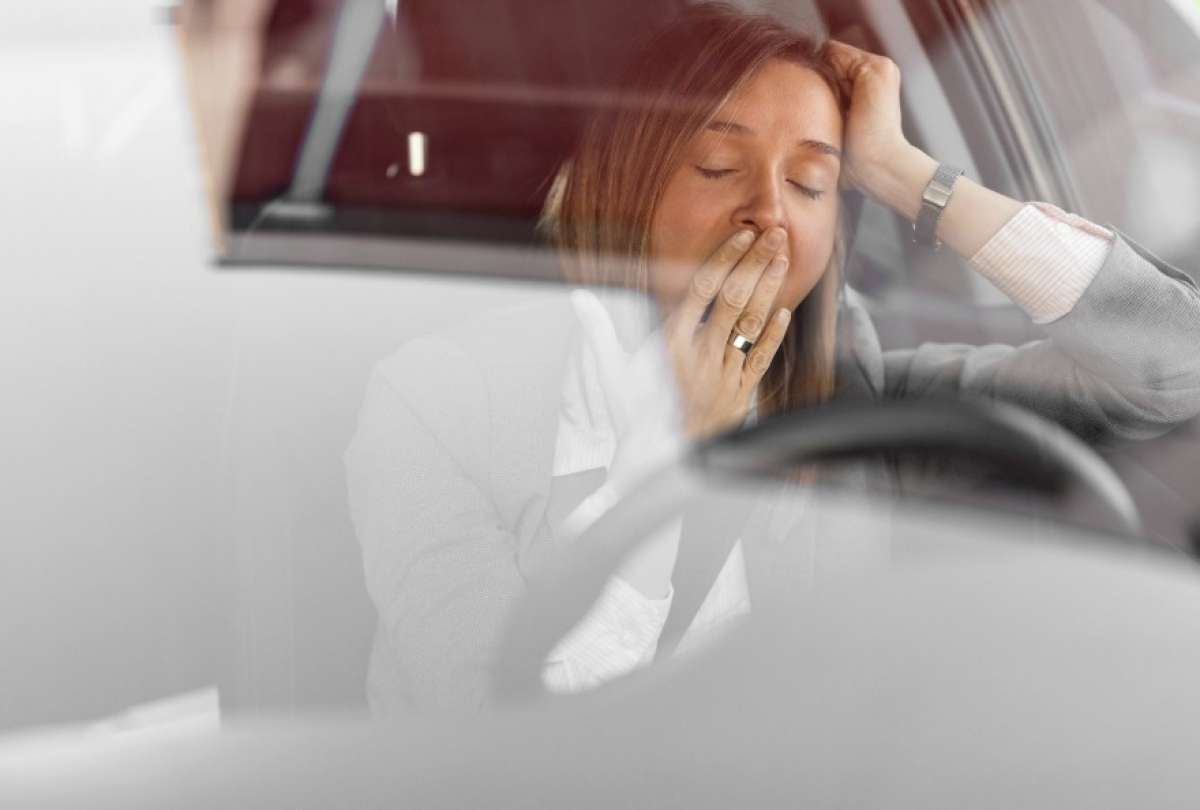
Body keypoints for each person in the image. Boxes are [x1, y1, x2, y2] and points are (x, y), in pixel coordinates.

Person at [344, 3, 1200, 713]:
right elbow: (500, 735)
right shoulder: (438, 405)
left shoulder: (846, 390)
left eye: (811, 184)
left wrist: (906, 175)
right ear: (624, 187)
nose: (770, 213)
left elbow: (1170, 367)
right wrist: (661, 461)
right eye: (719, 166)